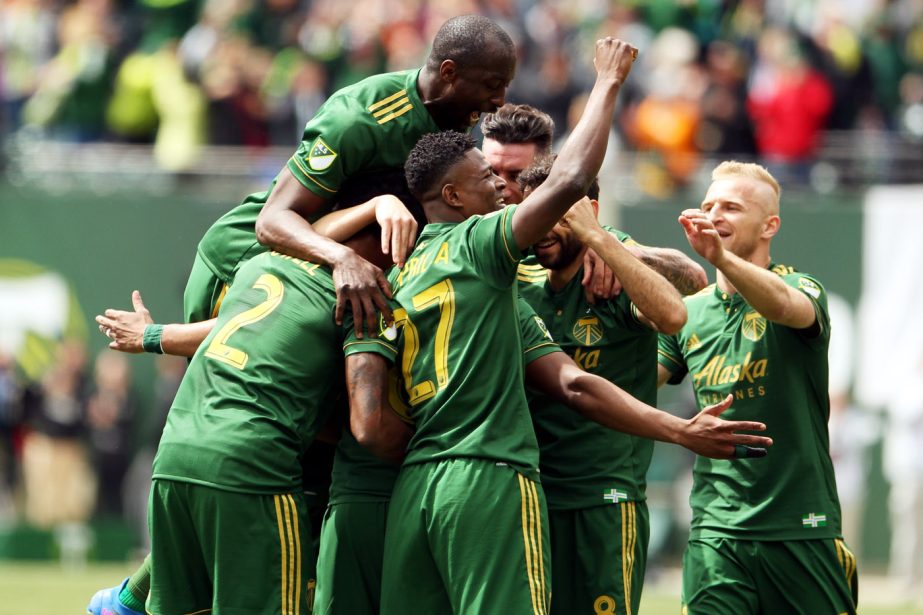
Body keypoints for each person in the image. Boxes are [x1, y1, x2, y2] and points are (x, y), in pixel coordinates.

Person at [89, 13, 517, 614]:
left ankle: (137, 599)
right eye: (492, 86)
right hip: (253, 260)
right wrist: (344, 256)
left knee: (284, 453)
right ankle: (149, 596)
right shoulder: (362, 114)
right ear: (448, 73)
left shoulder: (455, 134)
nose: (500, 101)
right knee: (277, 448)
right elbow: (274, 224)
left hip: (326, 267)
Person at [347, 37, 771, 613]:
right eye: (489, 178)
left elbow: (678, 301)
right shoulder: (490, 258)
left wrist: (608, 243)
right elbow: (571, 381)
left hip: (557, 489)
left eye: (513, 181)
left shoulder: (403, 269)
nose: (503, 193)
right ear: (453, 194)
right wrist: (607, 83)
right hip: (493, 478)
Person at [147, 223, 409, 614]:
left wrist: (154, 335)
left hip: (174, 453)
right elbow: (368, 426)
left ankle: (122, 601)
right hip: (253, 465)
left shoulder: (260, 265)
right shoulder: (360, 295)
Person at [657, 160, 859, 614]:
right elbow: (628, 386)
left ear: (770, 225)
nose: (714, 215)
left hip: (801, 525)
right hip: (716, 530)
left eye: (731, 207)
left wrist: (721, 259)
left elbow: (785, 306)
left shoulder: (801, 287)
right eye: (708, 205)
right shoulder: (688, 311)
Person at [516, 159, 684, 614]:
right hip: (529, 498)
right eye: (535, 214)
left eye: (558, 216)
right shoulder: (520, 284)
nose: (543, 230)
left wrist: (600, 240)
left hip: (604, 501)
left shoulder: (612, 282)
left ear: (590, 209)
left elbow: (673, 315)